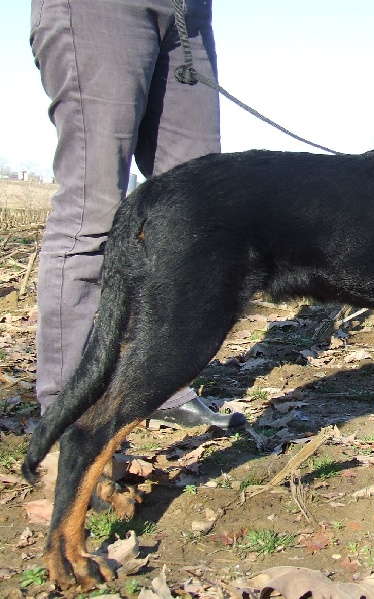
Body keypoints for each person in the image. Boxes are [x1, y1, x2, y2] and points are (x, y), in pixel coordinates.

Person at [30, 0, 245, 429]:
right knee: (92, 215)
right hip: (99, 10)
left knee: (197, 215)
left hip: (186, 16)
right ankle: (68, 416)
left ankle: (156, 386)